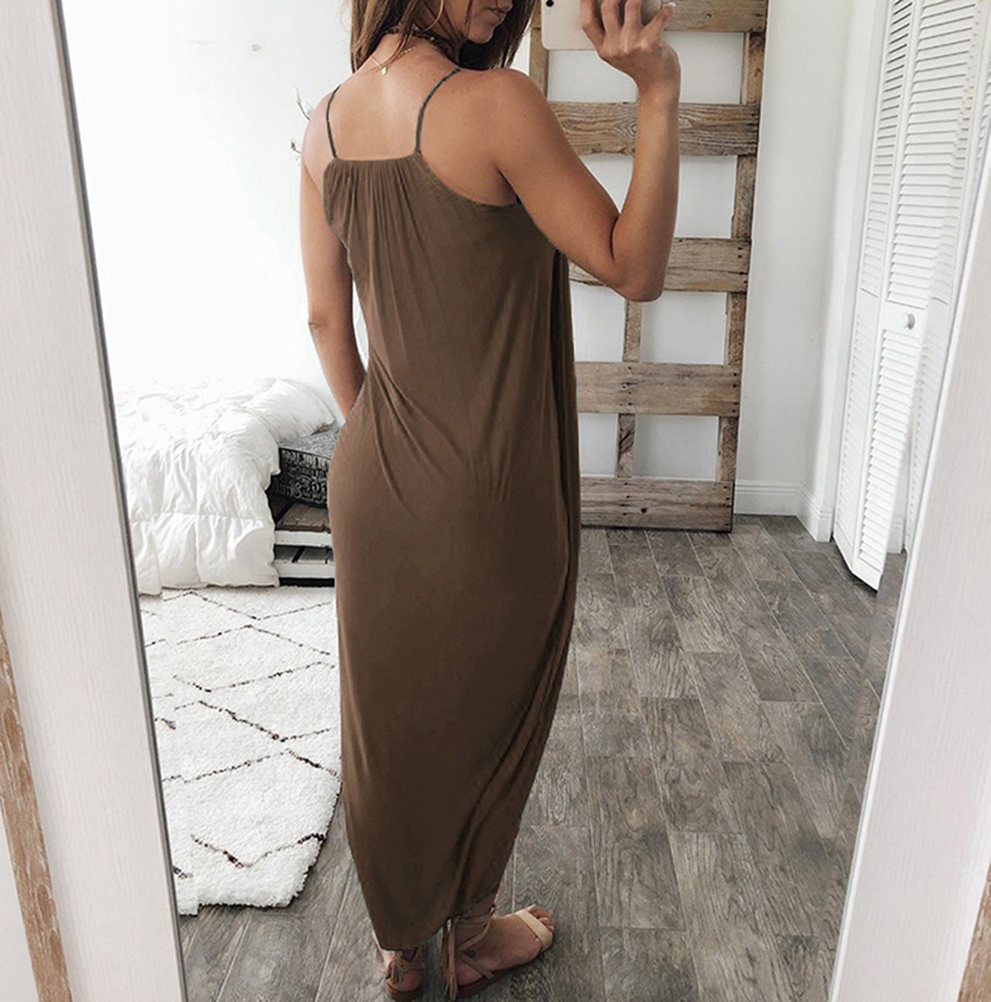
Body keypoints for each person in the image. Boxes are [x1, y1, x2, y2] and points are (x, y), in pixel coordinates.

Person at [299, 0, 679, 995]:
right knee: (489, 717)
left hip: (373, 482)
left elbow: (326, 321)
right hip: (490, 491)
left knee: (391, 728)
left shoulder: (323, 125)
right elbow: (635, 267)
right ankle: (463, 934)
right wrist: (658, 92)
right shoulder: (498, 105)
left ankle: (409, 947)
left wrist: (391, 451)